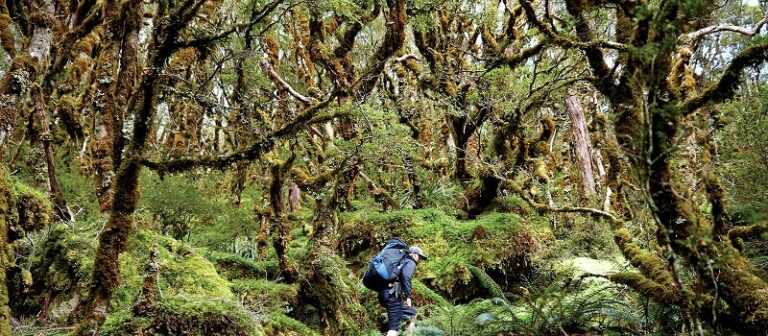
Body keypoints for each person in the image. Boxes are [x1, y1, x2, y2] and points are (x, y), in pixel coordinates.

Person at [378, 246, 428, 336]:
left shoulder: (399, 262)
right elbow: (406, 277)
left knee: (410, 313)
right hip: (391, 295)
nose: (419, 259)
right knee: (395, 328)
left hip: (383, 294)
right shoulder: (410, 262)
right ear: (412, 254)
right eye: (418, 256)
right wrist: (408, 297)